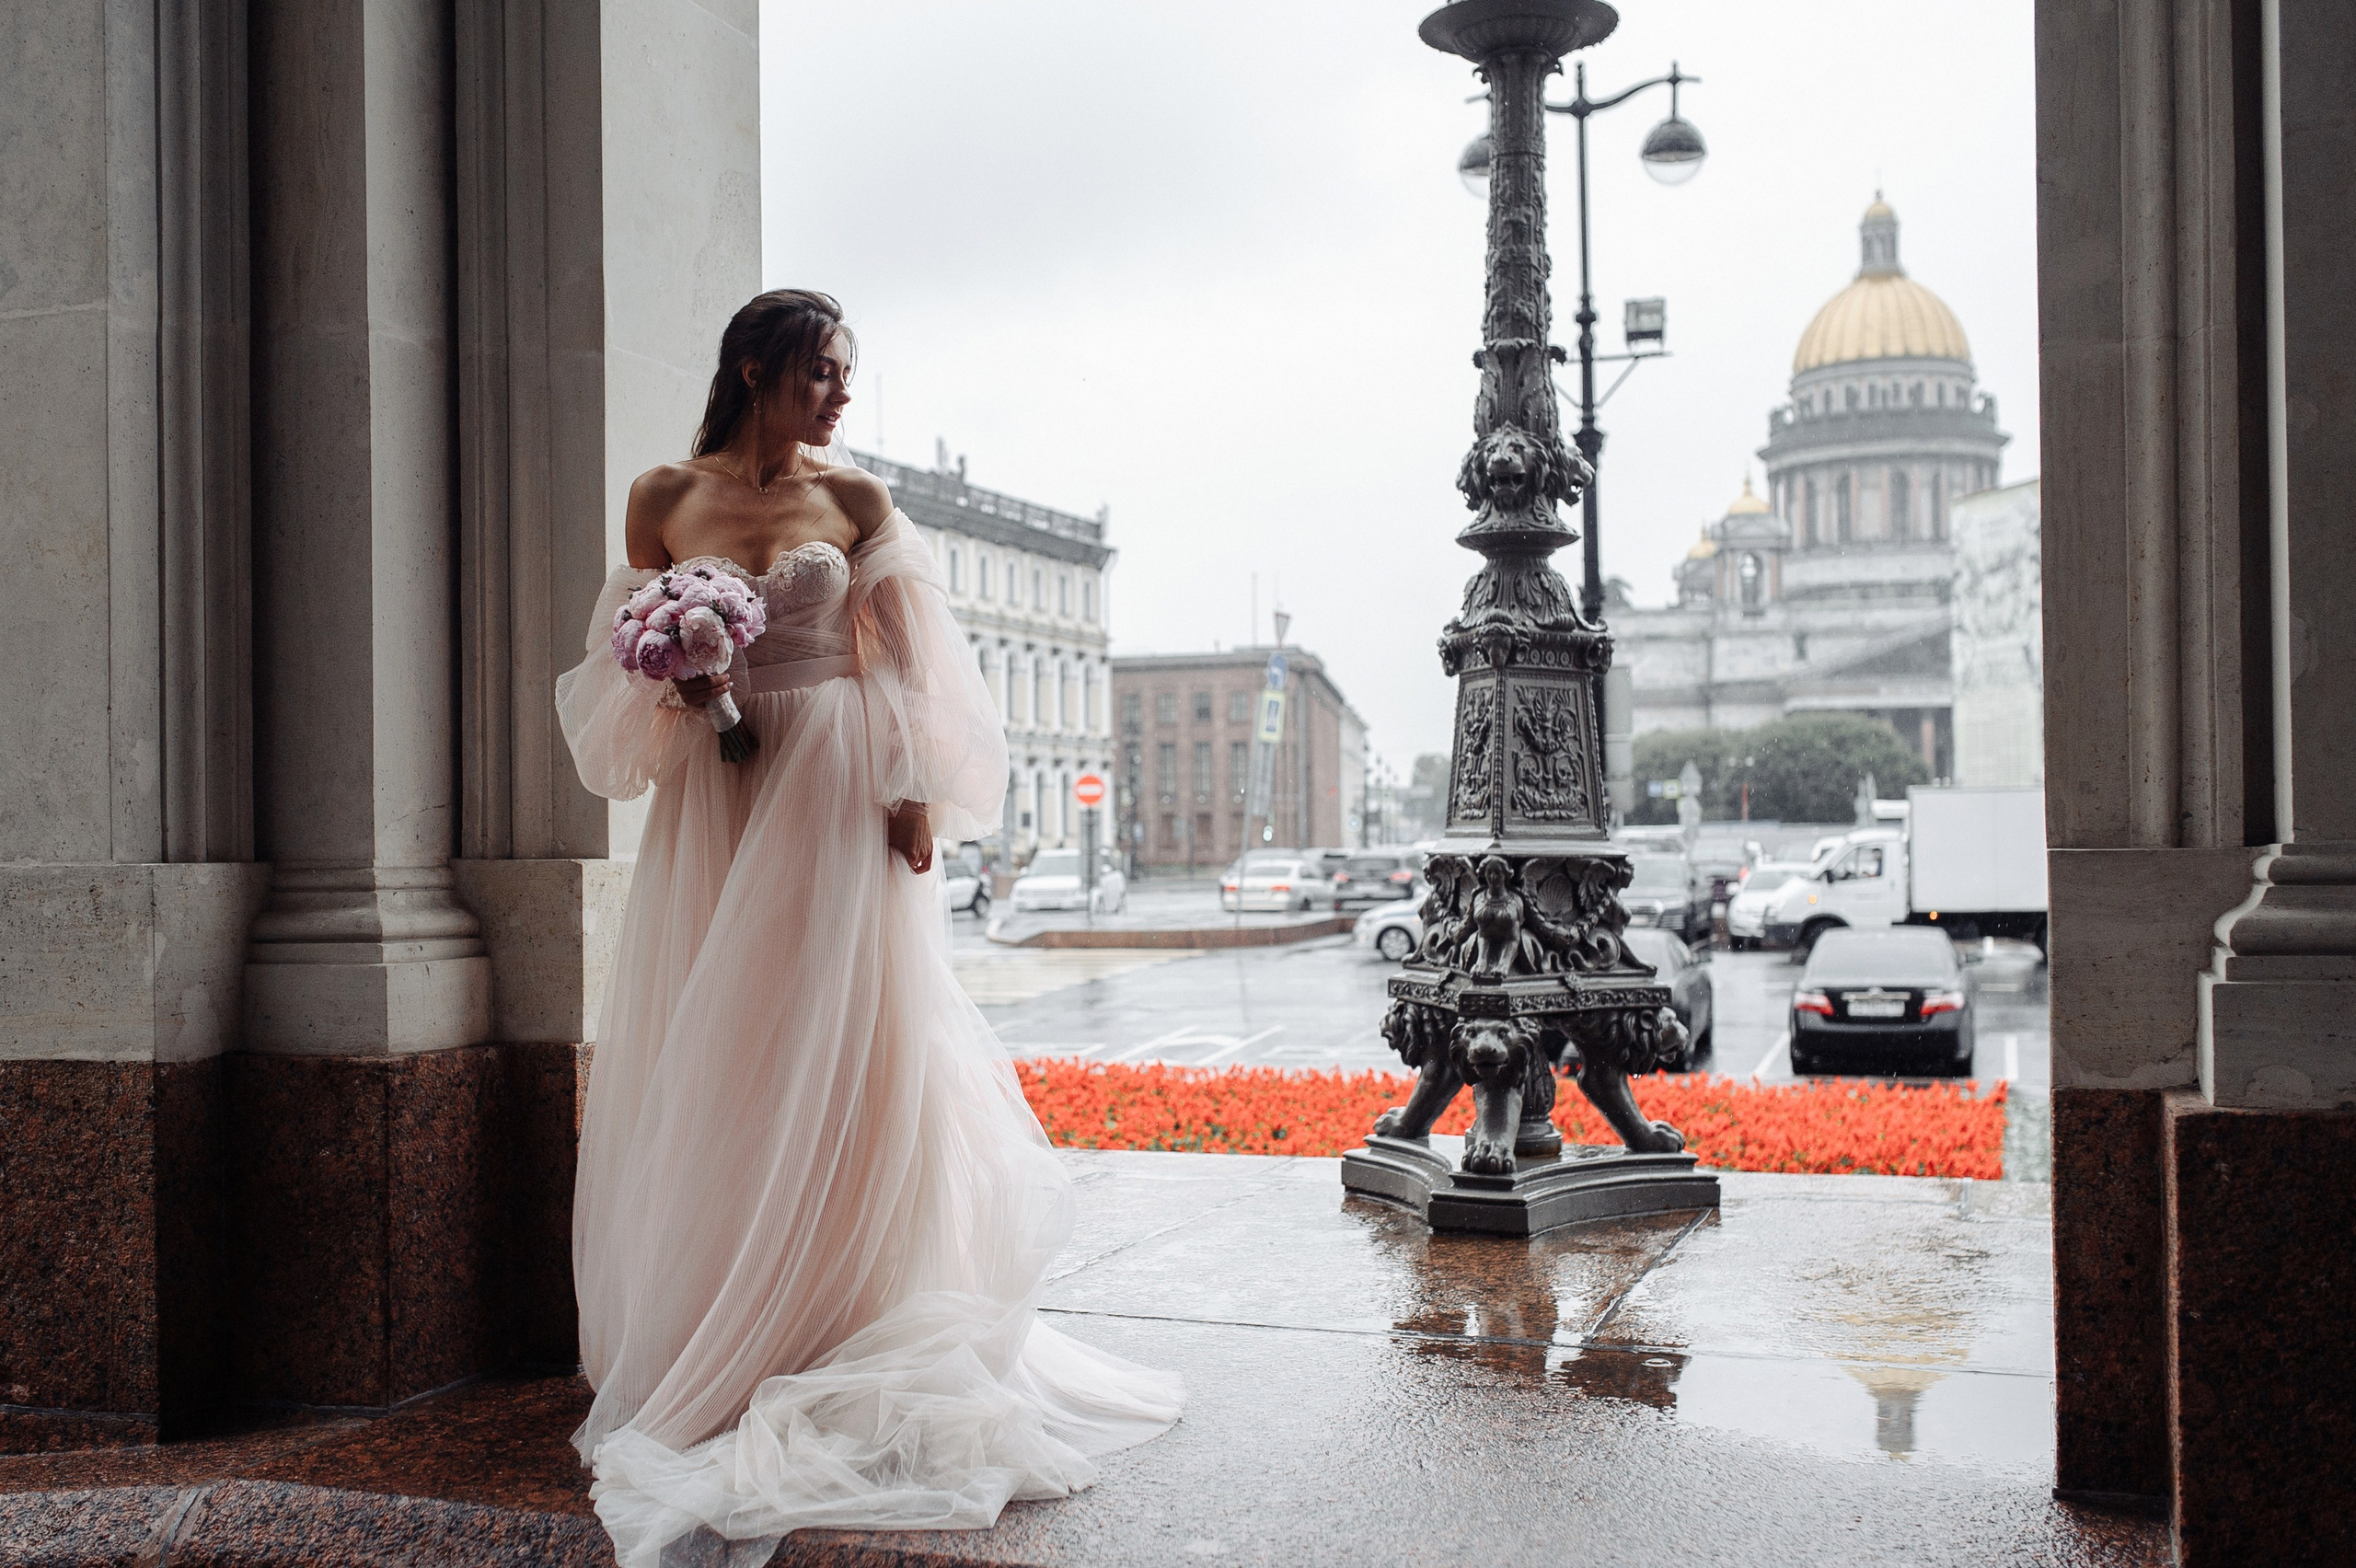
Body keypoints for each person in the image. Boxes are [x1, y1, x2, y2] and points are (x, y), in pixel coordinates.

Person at [556, 289, 1183, 1566]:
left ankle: (849, 1301)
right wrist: (691, 685)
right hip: (720, 790)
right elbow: (627, 670)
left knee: (844, 1032)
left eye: (845, 374)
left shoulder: (855, 501)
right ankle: (721, 1310)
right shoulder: (660, 498)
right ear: (754, 368)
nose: (840, 394)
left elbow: (902, 659)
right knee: (723, 1036)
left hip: (836, 782)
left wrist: (910, 790)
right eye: (822, 371)